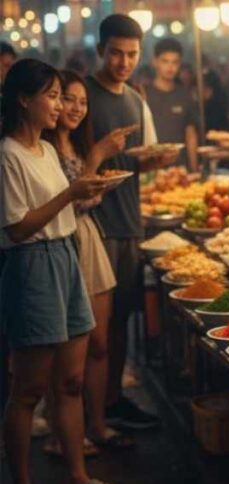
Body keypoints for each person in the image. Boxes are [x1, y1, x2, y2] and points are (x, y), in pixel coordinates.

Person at [2, 58, 126, 484]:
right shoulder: (8, 154)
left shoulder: (48, 152)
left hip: (65, 258)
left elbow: (62, 211)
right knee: (30, 388)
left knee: (71, 381)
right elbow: (17, 227)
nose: (60, 105)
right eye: (52, 96)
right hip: (32, 265)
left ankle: (76, 476)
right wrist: (72, 194)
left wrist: (80, 192)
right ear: (23, 99)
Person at [41, 69, 138, 457]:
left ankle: (96, 423)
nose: (77, 108)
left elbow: (88, 194)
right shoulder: (44, 149)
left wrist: (95, 163)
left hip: (91, 238)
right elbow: (70, 198)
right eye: (68, 99)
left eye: (83, 101)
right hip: (64, 241)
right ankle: (61, 432)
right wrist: (98, 156)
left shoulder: (76, 147)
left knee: (100, 342)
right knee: (64, 351)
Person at [87, 15, 175, 430]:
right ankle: (90, 415)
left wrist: (158, 160)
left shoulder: (137, 101)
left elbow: (144, 157)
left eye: (132, 55)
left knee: (121, 319)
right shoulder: (82, 95)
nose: (124, 62)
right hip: (92, 226)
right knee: (92, 333)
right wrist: (102, 152)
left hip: (128, 221)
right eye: (117, 53)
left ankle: (113, 400)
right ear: (100, 49)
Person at [144, 38, 199, 170]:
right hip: (151, 168)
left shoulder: (185, 96)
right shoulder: (144, 95)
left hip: (180, 168)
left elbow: (190, 135)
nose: (170, 67)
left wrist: (194, 168)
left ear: (180, 64)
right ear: (155, 62)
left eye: (175, 62)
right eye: (165, 61)